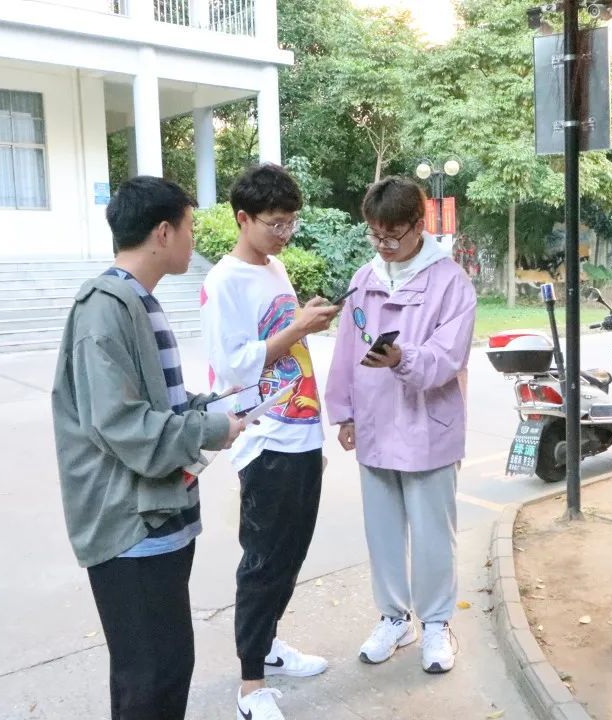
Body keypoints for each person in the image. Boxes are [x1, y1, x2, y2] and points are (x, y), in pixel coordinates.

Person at [52, 175, 246, 720]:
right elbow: (120, 424)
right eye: (189, 227)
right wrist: (209, 430)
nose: (193, 239)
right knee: (150, 679)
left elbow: (158, 404)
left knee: (166, 669)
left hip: (158, 518)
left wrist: (216, 407)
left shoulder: (139, 301)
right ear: (163, 232)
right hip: (129, 527)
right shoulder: (104, 307)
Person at [200, 164, 339, 720]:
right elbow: (232, 367)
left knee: (290, 555)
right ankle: (250, 686)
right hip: (263, 438)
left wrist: (304, 324)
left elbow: (282, 342)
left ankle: (269, 645)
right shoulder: (224, 281)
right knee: (263, 561)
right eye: (274, 224)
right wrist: (299, 328)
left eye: (290, 223)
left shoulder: (275, 267)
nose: (284, 234)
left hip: (300, 432)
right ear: (243, 218)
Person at [325, 176, 477, 674]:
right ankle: (394, 618)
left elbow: (448, 356)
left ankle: (435, 623)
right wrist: (344, 412)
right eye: (375, 234)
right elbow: (345, 350)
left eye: (393, 235)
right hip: (373, 424)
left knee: (433, 535)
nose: (384, 245)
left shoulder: (450, 281)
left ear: (419, 224)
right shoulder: (364, 279)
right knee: (383, 532)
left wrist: (402, 358)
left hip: (427, 425)